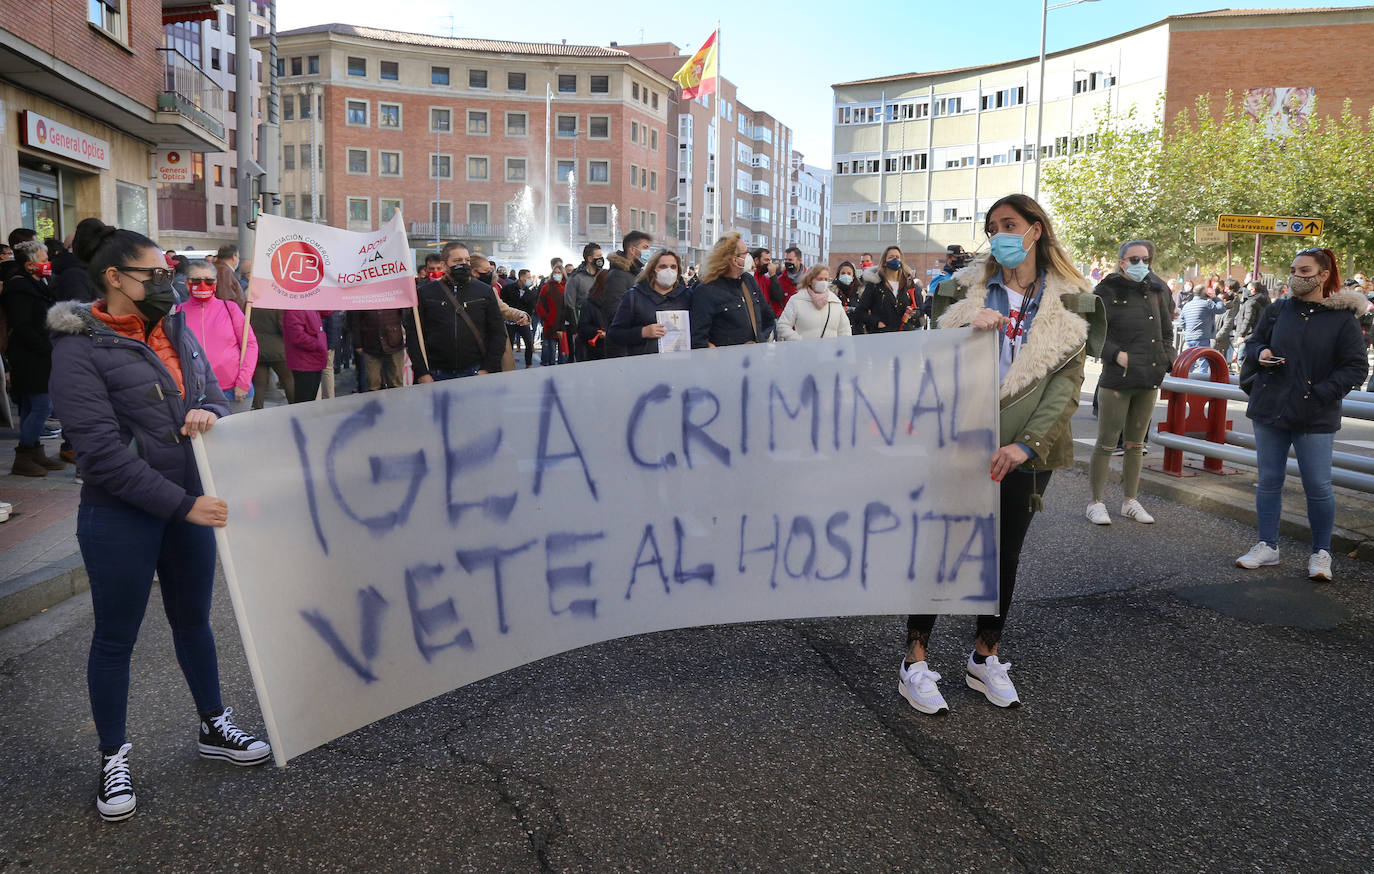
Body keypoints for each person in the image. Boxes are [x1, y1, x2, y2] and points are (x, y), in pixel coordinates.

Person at [47, 222, 270, 823]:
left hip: (188, 503)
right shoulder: (78, 348)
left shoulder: (174, 327)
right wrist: (182, 505)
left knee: (193, 620)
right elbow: (98, 454)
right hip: (121, 514)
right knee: (115, 638)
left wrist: (208, 408)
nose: (168, 284)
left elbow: (215, 394)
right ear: (115, 279)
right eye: (155, 275)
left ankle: (213, 725)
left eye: (168, 272)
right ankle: (113, 755)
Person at [905, 193, 1104, 714]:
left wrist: (1026, 445)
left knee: (1003, 555)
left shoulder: (1074, 299)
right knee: (941, 549)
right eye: (992, 227)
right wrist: (966, 327)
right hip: (959, 440)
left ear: (1036, 230)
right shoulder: (958, 291)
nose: (999, 235)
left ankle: (984, 656)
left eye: (1009, 224)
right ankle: (915, 661)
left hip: (1028, 454)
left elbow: (1067, 384)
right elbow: (928, 357)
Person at [1235, 247, 1368, 582]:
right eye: (1294, 269)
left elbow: (1356, 367)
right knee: (1268, 481)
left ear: (1324, 275)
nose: (1297, 276)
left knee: (1318, 486)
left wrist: (1319, 393)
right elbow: (1252, 344)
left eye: (1305, 271)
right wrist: (1260, 352)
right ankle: (1267, 546)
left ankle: (1321, 553)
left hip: (1315, 413)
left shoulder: (1342, 319)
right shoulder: (1278, 310)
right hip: (1270, 406)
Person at [1085, 240, 1174, 526]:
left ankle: (1130, 501)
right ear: (1121, 261)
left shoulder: (1158, 289)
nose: (1140, 264)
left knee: (1136, 445)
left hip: (1148, 378)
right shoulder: (1105, 290)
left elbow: (1167, 332)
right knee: (1106, 443)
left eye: (1145, 259)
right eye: (1133, 259)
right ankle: (1096, 502)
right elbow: (1091, 331)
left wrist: (1166, 359)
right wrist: (1115, 354)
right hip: (1117, 378)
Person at [3, 240, 66, 476]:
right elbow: (21, 325)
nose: (47, 263)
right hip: (29, 355)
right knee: (41, 404)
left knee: (33, 404)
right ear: (29, 265)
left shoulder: (38, 283)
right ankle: (24, 454)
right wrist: (47, 348)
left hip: (40, 352)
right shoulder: (19, 287)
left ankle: (35, 452)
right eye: (42, 260)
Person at [406, 241, 506, 381]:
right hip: (436, 373)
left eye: (467, 260)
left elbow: (498, 332)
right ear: (444, 265)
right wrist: (422, 372)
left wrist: (489, 368)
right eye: (457, 260)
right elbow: (414, 335)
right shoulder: (424, 293)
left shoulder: (484, 291)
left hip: (475, 371)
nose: (463, 264)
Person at [176, 260, 258, 414]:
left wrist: (244, 381)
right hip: (196, 394)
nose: (202, 284)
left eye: (208, 280)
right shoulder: (178, 313)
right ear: (187, 283)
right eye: (196, 280)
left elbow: (250, 345)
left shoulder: (230, 308)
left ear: (216, 283)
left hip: (234, 391)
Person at [689, 232, 776, 348]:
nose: (749, 257)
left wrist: (759, 340)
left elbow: (768, 317)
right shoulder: (706, 290)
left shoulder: (748, 281)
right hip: (725, 362)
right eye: (745, 253)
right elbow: (697, 337)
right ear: (735, 259)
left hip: (753, 358)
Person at [609, 250, 691, 356]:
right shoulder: (634, 297)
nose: (668, 270)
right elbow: (614, 334)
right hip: (645, 364)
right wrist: (642, 332)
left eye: (673, 267)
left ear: (678, 271)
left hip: (680, 363)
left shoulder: (688, 296)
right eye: (663, 266)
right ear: (653, 270)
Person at [602, 232, 652, 358]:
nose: (648, 252)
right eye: (645, 247)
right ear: (632, 250)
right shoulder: (618, 276)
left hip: (633, 347)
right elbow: (615, 313)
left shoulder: (634, 274)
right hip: (623, 349)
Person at [855, 245, 922, 333]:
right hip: (882, 336)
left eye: (897, 257)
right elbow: (860, 312)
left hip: (904, 335)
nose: (895, 260)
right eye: (891, 257)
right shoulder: (875, 285)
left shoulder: (908, 284)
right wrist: (876, 323)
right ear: (884, 262)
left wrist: (914, 313)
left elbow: (919, 309)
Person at [777, 265, 851, 340]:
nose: (823, 282)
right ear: (810, 280)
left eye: (826, 279)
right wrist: (798, 340)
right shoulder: (797, 300)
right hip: (804, 350)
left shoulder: (834, 301)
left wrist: (842, 349)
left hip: (831, 350)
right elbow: (783, 326)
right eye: (820, 279)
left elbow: (845, 330)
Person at [347, 307, 407, 390]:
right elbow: (355, 321)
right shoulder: (361, 297)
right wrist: (357, 343)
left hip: (394, 343)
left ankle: (396, 402)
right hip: (370, 344)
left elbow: (406, 315)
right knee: (373, 384)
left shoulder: (395, 295)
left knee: (396, 383)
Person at [249, 307, 292, 409]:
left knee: (259, 384)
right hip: (278, 351)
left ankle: (257, 412)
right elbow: (283, 327)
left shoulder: (253, 304)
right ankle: (295, 406)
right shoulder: (276, 305)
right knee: (288, 379)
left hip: (258, 349)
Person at [565, 243, 604, 359]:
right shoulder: (576, 278)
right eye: (599, 256)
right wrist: (575, 329)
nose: (601, 259)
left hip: (600, 331)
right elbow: (569, 305)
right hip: (583, 330)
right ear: (590, 259)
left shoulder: (602, 275)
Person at [282, 309, 329, 402]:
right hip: (303, 362)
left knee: (310, 400)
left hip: (315, 359)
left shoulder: (311, 306)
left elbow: (327, 311)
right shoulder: (293, 310)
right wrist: (319, 344)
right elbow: (297, 336)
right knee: (303, 401)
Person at [535, 264, 574, 365]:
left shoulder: (567, 287)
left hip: (564, 325)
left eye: (559, 273)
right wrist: (546, 318)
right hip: (550, 324)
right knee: (549, 355)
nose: (557, 274)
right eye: (555, 273)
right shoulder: (546, 287)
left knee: (563, 355)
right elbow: (539, 305)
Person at [502, 269, 539, 368]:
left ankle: (528, 365)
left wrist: (527, 318)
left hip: (523, 322)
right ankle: (507, 365)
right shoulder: (508, 288)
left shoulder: (530, 292)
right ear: (521, 278)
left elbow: (531, 307)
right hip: (510, 322)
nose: (530, 280)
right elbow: (503, 304)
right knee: (508, 345)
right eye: (528, 277)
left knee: (529, 342)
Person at [576, 270, 613, 361]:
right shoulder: (589, 303)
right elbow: (582, 328)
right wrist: (597, 331)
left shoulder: (616, 300)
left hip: (612, 349)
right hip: (594, 352)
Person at [1233, 280, 1271, 366]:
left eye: (1248, 289)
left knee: (1242, 360)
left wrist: (1242, 335)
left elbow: (1248, 319)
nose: (1246, 291)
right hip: (1259, 335)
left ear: (1253, 290)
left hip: (1248, 336)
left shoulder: (1251, 302)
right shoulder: (1266, 300)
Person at [832, 260, 864, 335]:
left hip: (857, 332)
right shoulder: (832, 292)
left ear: (853, 276)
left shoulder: (860, 292)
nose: (846, 275)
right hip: (837, 332)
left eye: (849, 273)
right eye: (843, 273)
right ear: (838, 275)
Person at [214, 245, 246, 310]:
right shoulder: (224, 271)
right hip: (229, 314)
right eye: (238, 257)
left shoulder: (218, 268)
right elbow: (225, 296)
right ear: (234, 256)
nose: (238, 260)